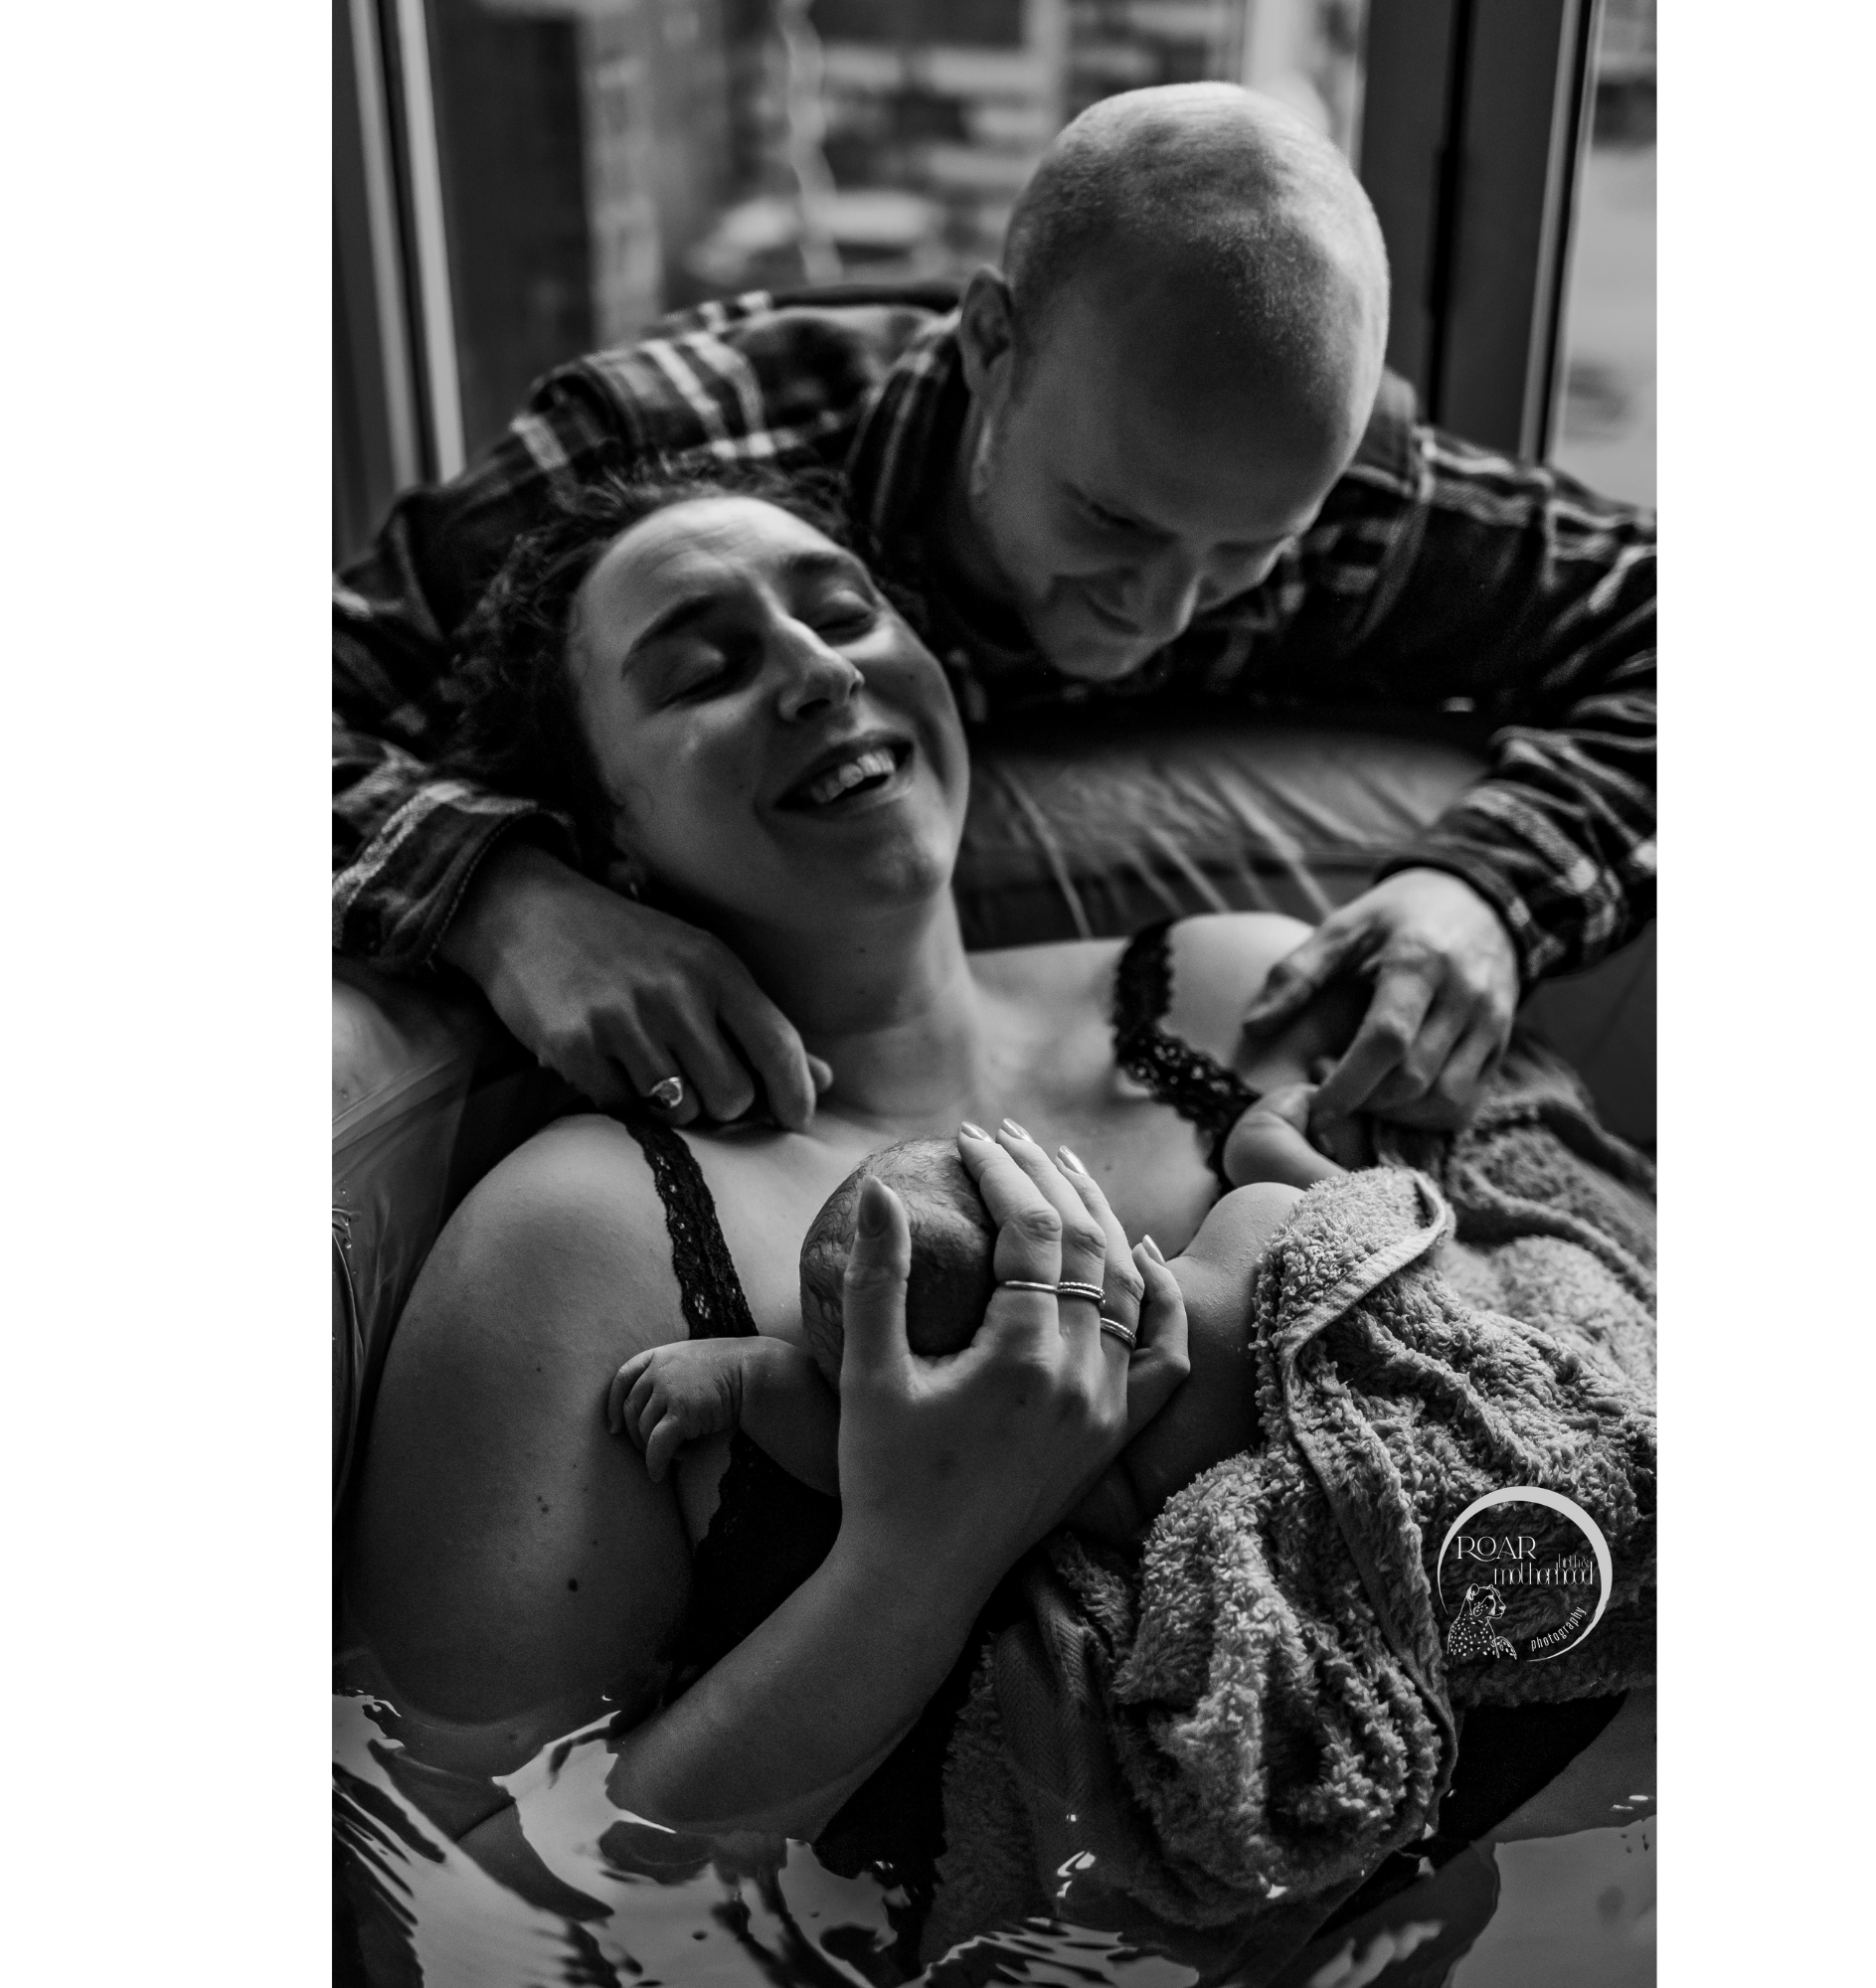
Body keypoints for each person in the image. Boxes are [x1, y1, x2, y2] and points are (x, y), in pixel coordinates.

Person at [337, 467, 1396, 1852]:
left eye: (843, 612)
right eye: (704, 670)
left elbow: (1530, 1368)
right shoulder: (580, 1240)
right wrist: (922, 1554)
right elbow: (473, 1894)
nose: (816, 672)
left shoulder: (1240, 997)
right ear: (609, 841)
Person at [331, 83, 1656, 1142]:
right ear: (988, 346)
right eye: (1116, 522)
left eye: (1252, 550)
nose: (1164, 606)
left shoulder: (1349, 502)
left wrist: (1488, 890)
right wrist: (505, 901)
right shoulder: (667, 455)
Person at [605, 1091, 1342, 1554]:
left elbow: (865, 1465)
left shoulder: (1072, 1470)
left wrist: (746, 1379)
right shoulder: (1247, 1236)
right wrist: (1266, 1140)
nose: (839, 1396)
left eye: (848, 1379)